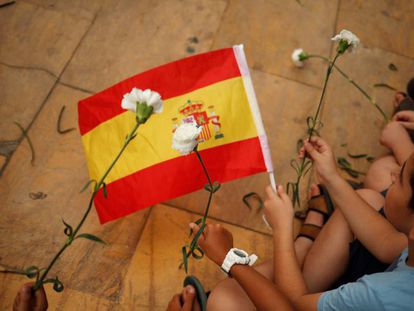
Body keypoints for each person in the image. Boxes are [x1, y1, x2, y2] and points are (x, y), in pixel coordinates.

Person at [180, 136, 414, 310]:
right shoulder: (406, 253)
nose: (394, 176)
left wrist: (230, 258)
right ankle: (300, 256)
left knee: (224, 299)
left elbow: (295, 306)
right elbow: (389, 245)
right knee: (368, 200)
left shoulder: (379, 294)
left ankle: (301, 248)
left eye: (401, 179)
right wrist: (331, 177)